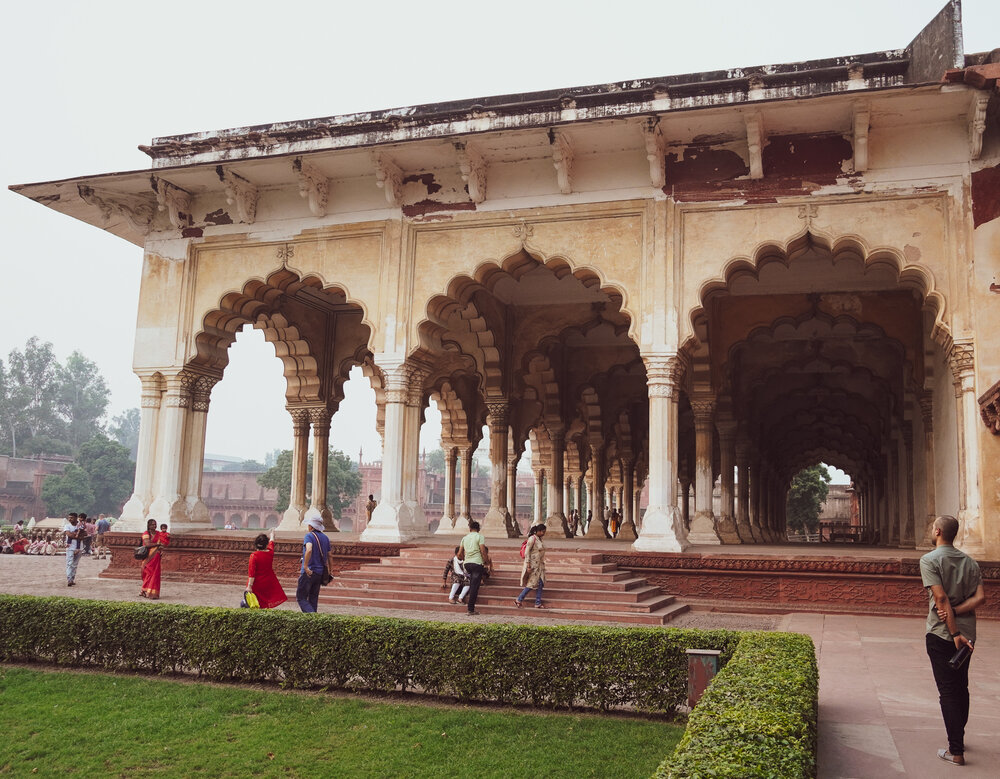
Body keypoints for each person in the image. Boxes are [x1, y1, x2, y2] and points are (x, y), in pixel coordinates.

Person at [920, 514, 986, 767]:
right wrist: (960, 618)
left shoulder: (929, 560)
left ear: (937, 531)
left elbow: (941, 599)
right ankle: (959, 734)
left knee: (947, 691)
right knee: (961, 686)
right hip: (968, 635)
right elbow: (980, 598)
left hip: (943, 633)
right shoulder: (970, 562)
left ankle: (956, 751)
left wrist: (954, 631)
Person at [297, 516, 332, 612]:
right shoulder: (325, 538)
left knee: (301, 597)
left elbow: (309, 549)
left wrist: (305, 566)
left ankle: (312, 617)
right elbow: (330, 555)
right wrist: (330, 570)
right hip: (319, 572)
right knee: (313, 598)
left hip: (309, 571)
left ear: (311, 526)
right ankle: (314, 623)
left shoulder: (309, 536)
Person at [246, 529, 287, 609]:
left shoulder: (254, 556)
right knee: (265, 604)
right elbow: (271, 543)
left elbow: (252, 573)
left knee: (255, 604)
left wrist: (249, 586)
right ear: (266, 544)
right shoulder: (270, 553)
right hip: (268, 582)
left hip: (257, 583)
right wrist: (272, 535)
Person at [459, 520, 491, 616]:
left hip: (467, 564)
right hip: (477, 563)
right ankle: (470, 609)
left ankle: (470, 607)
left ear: (470, 528)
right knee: (474, 587)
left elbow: (459, 553)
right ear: (478, 529)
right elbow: (483, 550)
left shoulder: (464, 538)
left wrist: (465, 559)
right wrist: (486, 561)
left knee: (472, 584)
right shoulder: (479, 537)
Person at [515, 523, 547, 608]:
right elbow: (527, 552)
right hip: (533, 565)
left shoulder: (539, 539)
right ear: (539, 531)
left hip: (539, 565)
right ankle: (519, 599)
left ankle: (537, 602)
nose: (544, 533)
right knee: (531, 583)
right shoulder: (532, 539)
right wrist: (528, 565)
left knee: (540, 583)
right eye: (543, 532)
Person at [139, 519, 166, 599]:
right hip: (148, 557)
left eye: (155, 524)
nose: (154, 526)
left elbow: (163, 543)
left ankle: (152, 593)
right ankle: (144, 590)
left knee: (155, 575)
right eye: (152, 524)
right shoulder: (146, 533)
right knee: (148, 573)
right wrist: (157, 544)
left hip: (156, 557)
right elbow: (147, 544)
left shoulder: (158, 533)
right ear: (148, 525)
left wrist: (161, 547)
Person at [62, 513, 84, 586]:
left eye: (71, 518)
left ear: (76, 518)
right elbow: (69, 534)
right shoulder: (67, 526)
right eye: (69, 518)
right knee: (69, 563)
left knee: (74, 565)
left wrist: (74, 535)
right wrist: (77, 535)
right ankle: (69, 579)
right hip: (70, 548)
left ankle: (72, 578)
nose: (70, 519)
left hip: (79, 547)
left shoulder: (80, 525)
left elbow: (84, 535)